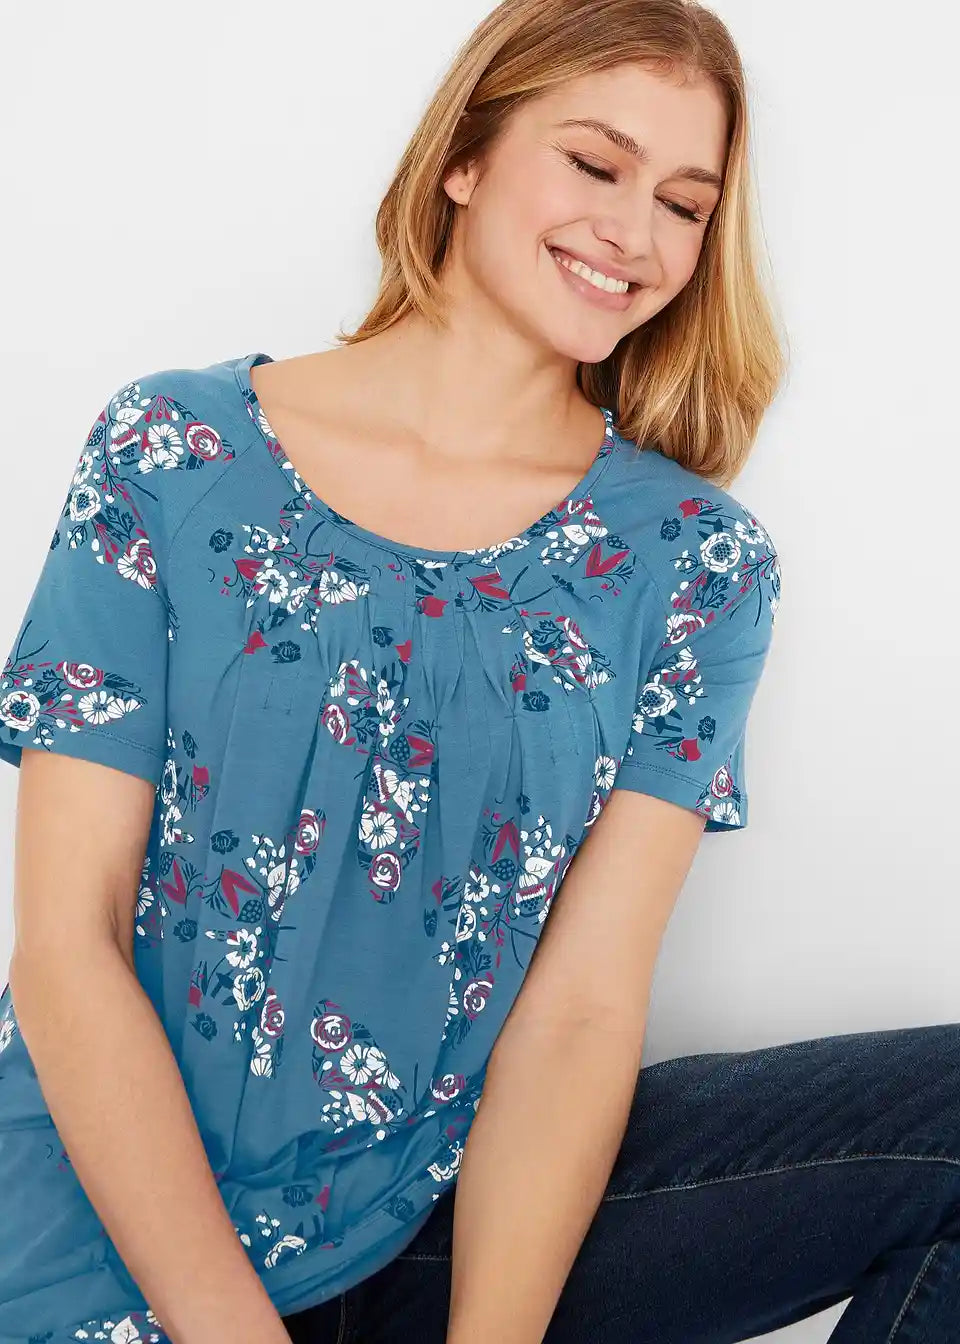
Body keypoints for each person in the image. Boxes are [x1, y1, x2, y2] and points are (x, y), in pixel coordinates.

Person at [1, 0, 958, 1340]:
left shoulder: (694, 565)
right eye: (597, 164)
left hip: (442, 1216)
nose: (635, 234)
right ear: (464, 155)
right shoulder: (174, 448)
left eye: (685, 204)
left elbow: (579, 1015)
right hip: (115, 1225)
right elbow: (70, 943)